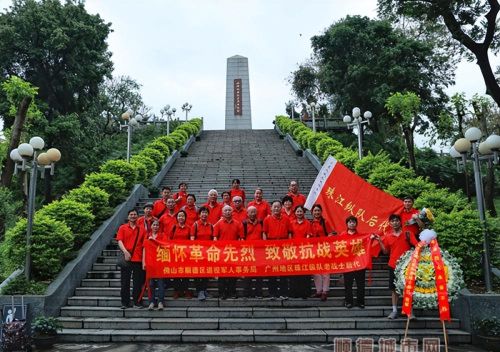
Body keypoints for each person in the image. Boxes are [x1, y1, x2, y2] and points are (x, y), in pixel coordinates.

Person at [373, 214, 418, 319]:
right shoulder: (388, 236)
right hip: (393, 265)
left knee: (409, 288)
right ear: (390, 223)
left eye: (397, 220)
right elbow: (385, 251)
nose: (395, 222)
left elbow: (417, 245)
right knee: (394, 289)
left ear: (400, 222)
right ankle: (394, 310)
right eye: (392, 221)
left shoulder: (408, 233)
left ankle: (409, 311)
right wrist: (380, 241)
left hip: (407, 266)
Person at [116, 209, 145, 309]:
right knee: (125, 282)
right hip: (126, 258)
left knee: (138, 282)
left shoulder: (142, 229)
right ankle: (125, 303)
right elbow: (120, 241)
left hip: (138, 259)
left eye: (135, 214)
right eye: (131, 214)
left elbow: (145, 244)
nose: (133, 216)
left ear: (137, 216)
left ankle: (137, 302)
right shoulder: (122, 228)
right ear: (128, 216)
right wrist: (125, 252)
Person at [213, 205, 244, 299]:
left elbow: (241, 238)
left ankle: (232, 292)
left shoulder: (238, 223)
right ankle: (222, 293)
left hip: (233, 252)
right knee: (222, 274)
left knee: (232, 274)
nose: (227, 212)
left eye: (229, 210)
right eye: (225, 210)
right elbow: (215, 238)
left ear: (232, 212)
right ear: (222, 212)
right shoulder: (218, 224)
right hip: (222, 252)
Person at [263, 200, 292, 300]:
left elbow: (289, 233)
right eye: (274, 207)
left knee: (283, 271)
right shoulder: (267, 219)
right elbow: (264, 233)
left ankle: (284, 293)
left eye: (278, 207)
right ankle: (273, 293)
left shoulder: (286, 219)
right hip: (271, 247)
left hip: (283, 246)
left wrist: (289, 244)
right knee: (272, 271)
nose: (276, 208)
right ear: (271, 208)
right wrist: (265, 245)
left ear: (281, 208)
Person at [309, 204, 336, 301]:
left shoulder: (325, 222)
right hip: (314, 250)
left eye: (318, 210)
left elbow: (331, 234)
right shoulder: (310, 223)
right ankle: (318, 291)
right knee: (315, 271)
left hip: (325, 249)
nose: (316, 212)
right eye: (315, 211)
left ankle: (325, 291)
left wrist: (327, 238)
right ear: (312, 212)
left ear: (321, 212)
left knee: (325, 271)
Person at [338, 216, 366, 309]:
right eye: (350, 222)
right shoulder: (342, 235)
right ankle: (348, 301)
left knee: (360, 284)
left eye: (353, 222)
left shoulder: (361, 235)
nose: (352, 224)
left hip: (359, 264)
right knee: (348, 284)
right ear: (347, 224)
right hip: (347, 264)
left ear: (356, 224)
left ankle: (360, 302)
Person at [289, 205, 313, 299]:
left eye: (301, 211)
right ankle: (294, 292)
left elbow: (309, 235)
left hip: (304, 250)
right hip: (293, 250)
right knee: (294, 272)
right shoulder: (291, 222)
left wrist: (303, 245)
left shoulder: (307, 223)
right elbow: (290, 235)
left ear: (304, 212)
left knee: (304, 273)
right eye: (297, 212)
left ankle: (305, 293)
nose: (299, 213)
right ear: (295, 213)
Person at [191, 206, 214, 301]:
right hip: (198, 252)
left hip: (208, 252)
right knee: (198, 272)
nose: (204, 214)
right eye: (202, 212)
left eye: (205, 212)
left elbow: (213, 239)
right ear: (199, 214)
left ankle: (204, 290)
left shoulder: (211, 225)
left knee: (206, 272)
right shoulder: (195, 225)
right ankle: (199, 290)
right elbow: (192, 238)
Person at [169, 210, 193, 299]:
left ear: (185, 217)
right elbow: (169, 240)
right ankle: (177, 290)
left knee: (185, 273)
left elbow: (191, 240)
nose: (181, 217)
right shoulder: (174, 227)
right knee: (176, 273)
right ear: (177, 218)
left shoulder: (189, 228)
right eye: (179, 216)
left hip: (186, 254)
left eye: (182, 216)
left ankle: (185, 290)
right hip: (175, 253)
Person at [143, 219, 166, 310]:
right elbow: (144, 249)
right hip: (150, 263)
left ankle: (160, 302)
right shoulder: (147, 235)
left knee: (161, 283)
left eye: (157, 225)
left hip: (160, 262)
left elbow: (165, 246)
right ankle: (152, 302)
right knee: (151, 284)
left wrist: (154, 241)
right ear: (151, 226)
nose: (155, 226)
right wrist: (144, 262)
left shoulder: (163, 235)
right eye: (154, 225)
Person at [241, 206, 264, 298]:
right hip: (248, 251)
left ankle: (258, 292)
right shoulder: (244, 224)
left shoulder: (261, 222)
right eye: (251, 212)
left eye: (254, 212)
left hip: (259, 251)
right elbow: (242, 238)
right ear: (247, 213)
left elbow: (264, 235)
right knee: (248, 273)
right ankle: (247, 293)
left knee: (259, 272)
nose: (253, 214)